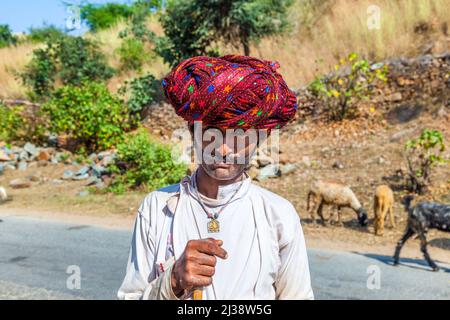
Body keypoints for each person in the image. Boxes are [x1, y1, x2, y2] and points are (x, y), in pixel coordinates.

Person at [117, 55, 314, 300]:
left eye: (239, 135)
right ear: (193, 133)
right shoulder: (156, 209)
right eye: (212, 133)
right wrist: (173, 281)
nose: (222, 149)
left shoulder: (278, 216)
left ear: (259, 140)